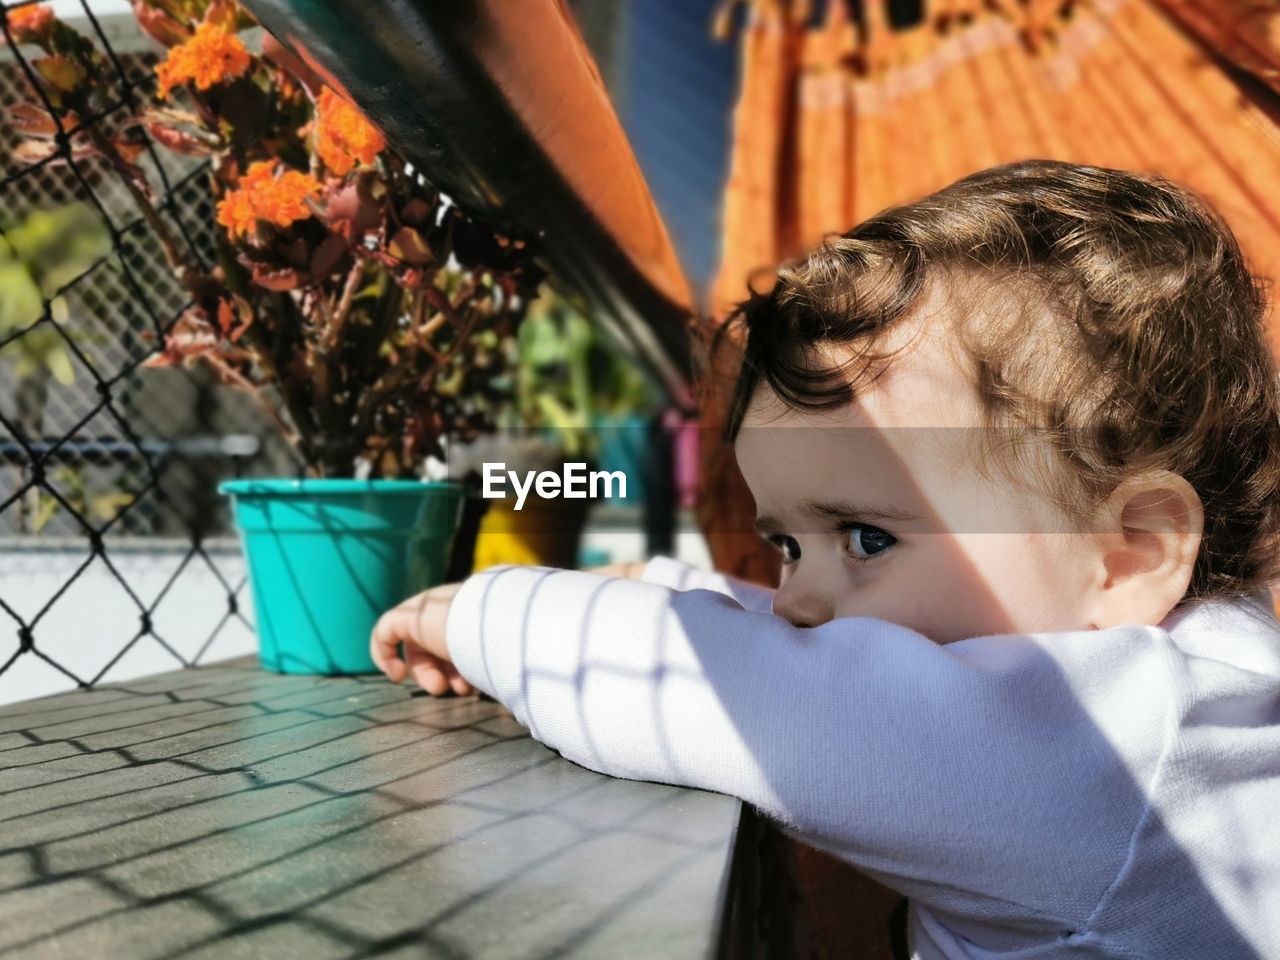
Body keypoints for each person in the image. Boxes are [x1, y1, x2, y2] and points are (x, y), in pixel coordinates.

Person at [370, 161, 1280, 959]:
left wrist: (485, 615)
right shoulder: (1197, 697)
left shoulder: (1116, 760)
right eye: (787, 545)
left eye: (866, 537)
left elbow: (744, 695)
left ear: (1127, 553)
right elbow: (856, 658)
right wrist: (664, 585)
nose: (796, 601)